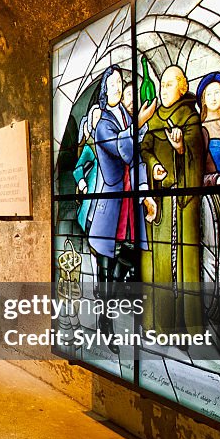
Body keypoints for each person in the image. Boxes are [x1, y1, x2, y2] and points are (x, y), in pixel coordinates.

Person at [140, 65, 204, 334]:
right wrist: (154, 164)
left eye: (169, 84)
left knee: (185, 260)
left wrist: (180, 149)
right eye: (162, 84)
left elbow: (195, 154)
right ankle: (161, 323)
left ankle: (189, 325)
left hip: (184, 200)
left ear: (183, 87)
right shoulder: (155, 119)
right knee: (161, 260)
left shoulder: (190, 116)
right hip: (161, 198)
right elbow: (145, 147)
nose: (164, 89)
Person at [87, 66, 156, 286]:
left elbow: (136, 158)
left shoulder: (126, 119)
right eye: (112, 84)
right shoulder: (103, 125)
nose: (117, 88)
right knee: (106, 257)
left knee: (129, 250)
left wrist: (144, 192)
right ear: (105, 90)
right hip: (112, 198)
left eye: (119, 83)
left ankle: (112, 293)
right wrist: (140, 123)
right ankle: (105, 313)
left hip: (130, 196)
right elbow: (121, 147)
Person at [72, 105, 102, 234]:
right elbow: (78, 168)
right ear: (91, 121)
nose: (99, 120)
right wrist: (82, 182)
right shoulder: (90, 144)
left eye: (102, 117)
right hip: (94, 189)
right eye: (96, 117)